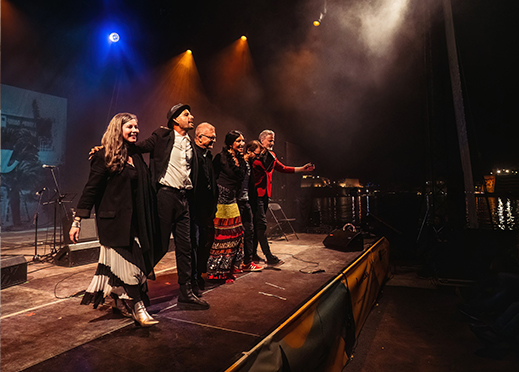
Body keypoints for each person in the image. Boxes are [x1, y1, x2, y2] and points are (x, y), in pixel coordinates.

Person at [70, 113, 162, 327]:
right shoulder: (102, 156)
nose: (135, 130)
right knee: (129, 268)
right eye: (130, 126)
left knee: (134, 266)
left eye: (136, 126)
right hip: (114, 224)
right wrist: (77, 221)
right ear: (117, 129)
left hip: (135, 223)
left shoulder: (135, 156)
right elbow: (90, 190)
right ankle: (138, 309)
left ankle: (118, 302)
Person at [136, 103, 209, 310]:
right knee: (158, 245)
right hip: (165, 196)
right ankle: (135, 286)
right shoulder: (162, 136)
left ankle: (186, 293)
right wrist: (107, 148)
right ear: (175, 119)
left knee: (185, 247)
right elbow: (138, 147)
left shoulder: (191, 144)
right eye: (187, 114)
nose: (191, 117)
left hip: (184, 199)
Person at [252, 129, 315, 266]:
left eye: (273, 140)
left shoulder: (271, 155)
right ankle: (268, 256)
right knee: (261, 224)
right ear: (262, 140)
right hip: (255, 195)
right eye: (270, 140)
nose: (272, 143)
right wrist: (267, 155)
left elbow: (283, 168)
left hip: (265, 195)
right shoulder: (255, 155)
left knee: (258, 224)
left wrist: (302, 169)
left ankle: (253, 254)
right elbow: (266, 168)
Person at [206, 130, 246, 283]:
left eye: (242, 141)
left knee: (236, 233)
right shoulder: (220, 158)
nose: (242, 144)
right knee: (221, 236)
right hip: (221, 199)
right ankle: (217, 271)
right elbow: (213, 178)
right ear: (231, 143)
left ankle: (229, 269)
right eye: (238, 141)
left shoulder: (240, 159)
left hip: (233, 199)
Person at [189, 123, 218, 292]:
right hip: (194, 207)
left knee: (207, 240)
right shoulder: (191, 153)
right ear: (199, 137)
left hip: (207, 208)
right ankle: (194, 277)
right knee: (195, 242)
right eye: (210, 136)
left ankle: (199, 272)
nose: (214, 139)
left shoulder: (208, 155)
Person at [237, 140, 264, 272]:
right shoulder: (239, 163)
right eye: (256, 154)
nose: (258, 158)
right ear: (249, 151)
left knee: (249, 231)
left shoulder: (249, 163)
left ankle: (247, 262)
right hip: (237, 202)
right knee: (237, 233)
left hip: (246, 201)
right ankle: (236, 263)